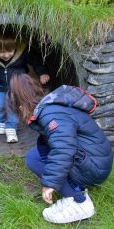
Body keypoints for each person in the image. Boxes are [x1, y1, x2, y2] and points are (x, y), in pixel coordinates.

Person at [8, 73, 113, 224]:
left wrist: (50, 183)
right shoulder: (49, 106)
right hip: (92, 158)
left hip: (95, 166)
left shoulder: (51, 114)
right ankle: (72, 188)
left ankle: (79, 202)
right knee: (33, 157)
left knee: (37, 159)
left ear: (21, 106)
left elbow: (64, 149)